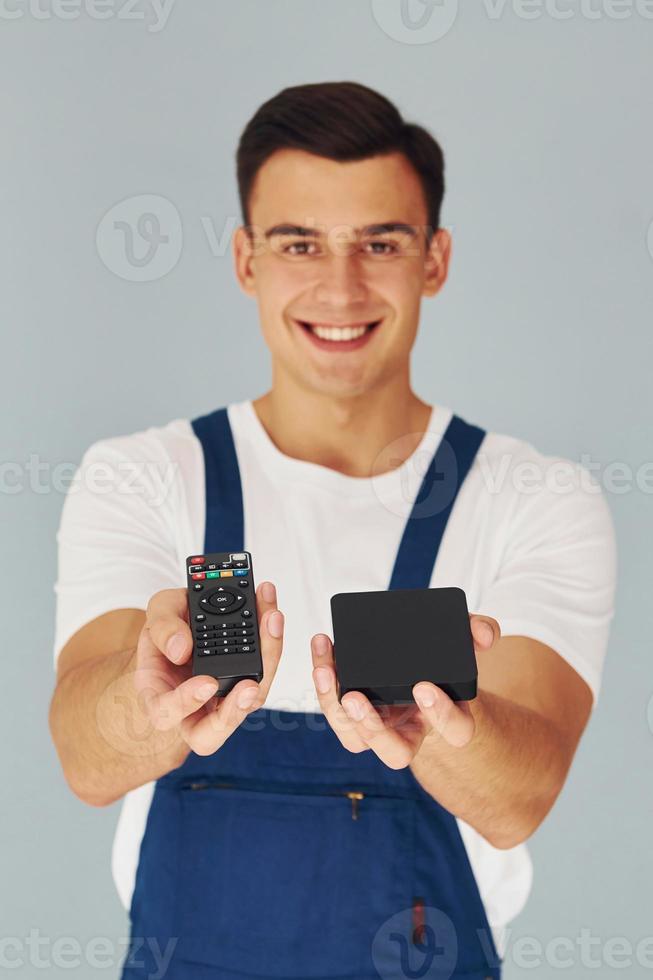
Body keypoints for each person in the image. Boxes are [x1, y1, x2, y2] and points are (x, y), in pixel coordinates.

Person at [49, 81, 617, 980]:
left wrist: (438, 733)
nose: (340, 286)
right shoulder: (145, 475)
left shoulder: (535, 496)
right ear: (245, 260)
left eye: (380, 243)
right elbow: (87, 759)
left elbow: (518, 800)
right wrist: (144, 698)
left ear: (434, 260)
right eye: (298, 243)